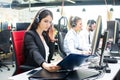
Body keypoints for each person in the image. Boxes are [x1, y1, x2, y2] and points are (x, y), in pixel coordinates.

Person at [23, 8, 60, 72]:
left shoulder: (45, 35)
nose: (48, 25)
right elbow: (34, 51)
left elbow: (49, 57)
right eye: (45, 21)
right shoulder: (29, 35)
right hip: (34, 70)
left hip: (44, 69)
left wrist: (51, 40)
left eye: (50, 22)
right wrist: (44, 64)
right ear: (38, 20)